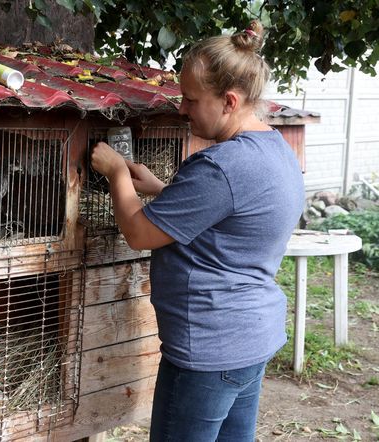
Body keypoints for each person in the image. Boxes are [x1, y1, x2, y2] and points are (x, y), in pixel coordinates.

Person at [90, 21, 305, 442]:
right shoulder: (275, 149)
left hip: (209, 348)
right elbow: (230, 215)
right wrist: (160, 190)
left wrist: (115, 171)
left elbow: (138, 232)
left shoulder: (221, 166)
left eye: (190, 100)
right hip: (250, 338)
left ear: (228, 101)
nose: (182, 109)